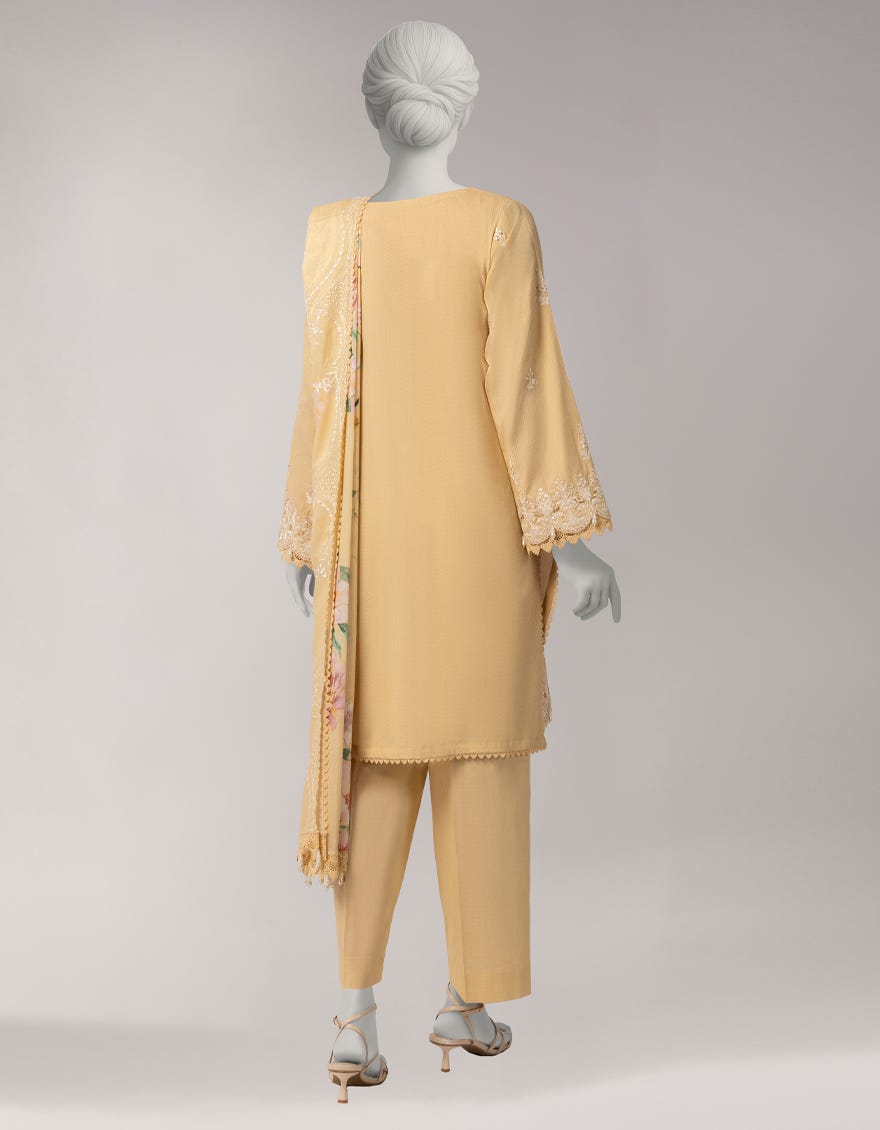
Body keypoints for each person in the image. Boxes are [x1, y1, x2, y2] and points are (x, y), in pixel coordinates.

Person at [277, 20, 621, 1103]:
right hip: (478, 539)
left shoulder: (330, 233)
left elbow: (318, 393)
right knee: (480, 763)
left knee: (374, 763)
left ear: (372, 111)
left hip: (367, 544)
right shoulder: (499, 224)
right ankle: (466, 1000)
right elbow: (523, 383)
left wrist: (307, 532)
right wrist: (569, 539)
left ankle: (353, 1016)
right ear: (463, 109)